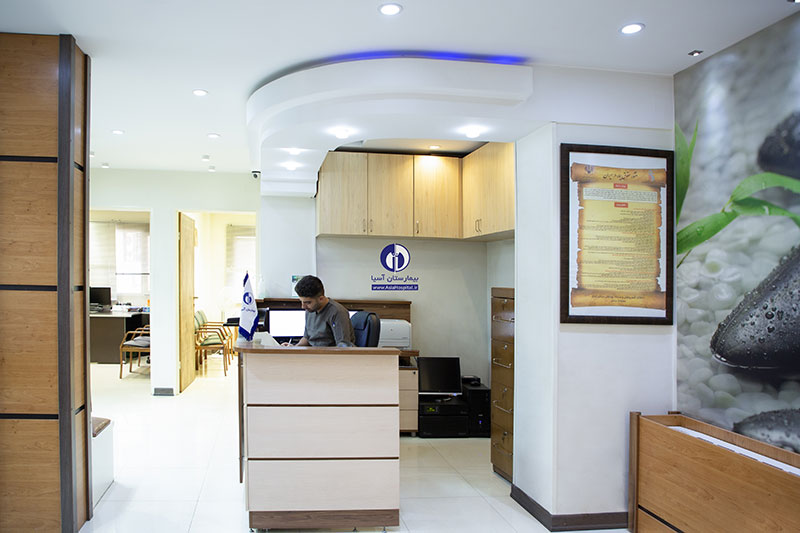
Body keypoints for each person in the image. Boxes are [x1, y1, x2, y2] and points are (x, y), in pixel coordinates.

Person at [283, 275, 355, 347]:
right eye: (301, 301)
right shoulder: (310, 310)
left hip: (328, 353)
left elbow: (343, 346)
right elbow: (307, 338)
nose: (303, 306)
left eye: (308, 302)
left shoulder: (337, 312)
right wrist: (294, 347)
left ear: (321, 299)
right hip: (313, 352)